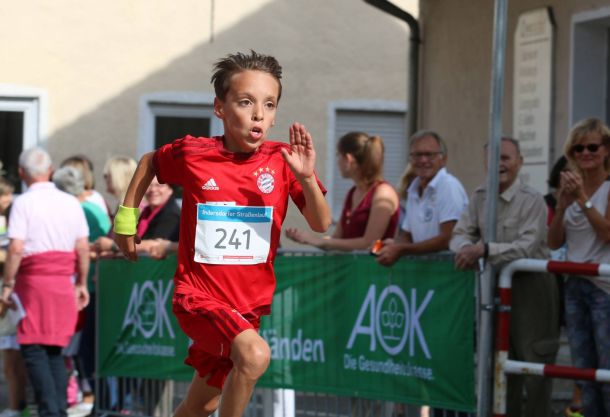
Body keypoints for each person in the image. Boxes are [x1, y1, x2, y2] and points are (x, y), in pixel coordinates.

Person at [113, 50, 331, 417]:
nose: (258, 114)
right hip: (198, 299)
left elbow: (321, 223)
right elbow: (150, 161)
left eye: (269, 104)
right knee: (255, 354)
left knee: (201, 404)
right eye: (246, 102)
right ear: (220, 108)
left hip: (246, 309)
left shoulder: (283, 160)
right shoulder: (194, 154)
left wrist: (307, 178)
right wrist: (125, 221)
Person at [450, 137, 559, 417]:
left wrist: (484, 250)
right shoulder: (480, 196)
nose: (499, 164)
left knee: (535, 365)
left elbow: (526, 247)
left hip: (532, 289)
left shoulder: (532, 200)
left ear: (520, 162)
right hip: (494, 288)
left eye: (506, 158)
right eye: (493, 158)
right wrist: (465, 249)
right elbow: (461, 232)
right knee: (499, 366)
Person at [0, 147, 90, 417]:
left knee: (34, 349)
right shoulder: (71, 202)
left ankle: (51, 411)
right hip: (63, 282)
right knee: (54, 350)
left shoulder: (23, 203)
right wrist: (81, 282)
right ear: (50, 171)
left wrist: (7, 284)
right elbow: (82, 247)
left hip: (33, 283)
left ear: (21, 173)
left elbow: (16, 248)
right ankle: (57, 410)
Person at [548, 118, 610, 417]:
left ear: (606, 150)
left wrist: (583, 200)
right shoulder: (571, 188)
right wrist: (561, 206)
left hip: (604, 287)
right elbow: (553, 241)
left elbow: (607, 233)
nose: (586, 153)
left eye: (593, 147)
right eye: (578, 148)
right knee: (583, 371)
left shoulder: (606, 188)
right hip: (574, 284)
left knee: (607, 368)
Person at [52, 166, 112, 416]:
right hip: (84, 287)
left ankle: (100, 401)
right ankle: (96, 401)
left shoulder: (83, 210)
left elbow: (92, 247)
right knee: (81, 350)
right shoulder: (83, 208)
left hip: (89, 288)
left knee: (86, 349)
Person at [284, 131, 399, 250]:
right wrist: (310, 239)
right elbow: (337, 239)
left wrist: (318, 241)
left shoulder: (383, 193)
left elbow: (370, 243)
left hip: (376, 263)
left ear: (348, 159)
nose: (337, 161)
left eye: (338, 155)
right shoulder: (353, 192)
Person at [376, 130, 468, 266]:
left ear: (443, 159)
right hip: (425, 273)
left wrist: (401, 249)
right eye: (418, 155)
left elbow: (448, 239)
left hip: (449, 273)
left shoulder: (448, 186)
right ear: (410, 159)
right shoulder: (414, 189)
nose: (423, 160)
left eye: (429, 155)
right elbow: (407, 235)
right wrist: (385, 246)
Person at [0, 177, 29, 417]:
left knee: (14, 360)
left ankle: (16, 406)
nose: (9, 199)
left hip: (13, 294)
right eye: (5, 195)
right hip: (8, 290)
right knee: (10, 360)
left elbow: (14, 253)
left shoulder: (13, 219)